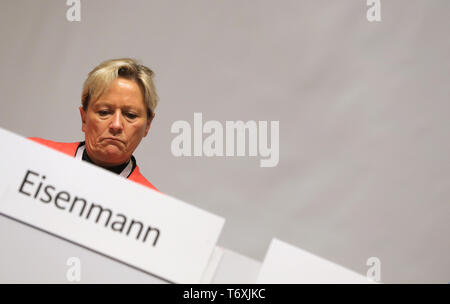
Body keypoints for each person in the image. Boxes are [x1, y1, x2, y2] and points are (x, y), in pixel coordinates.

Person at [29, 58, 159, 191]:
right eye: (104, 112)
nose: (116, 125)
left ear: (147, 125)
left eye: (130, 115)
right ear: (84, 118)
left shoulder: (153, 205)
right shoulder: (31, 154)